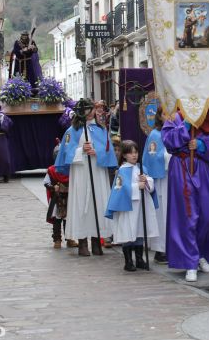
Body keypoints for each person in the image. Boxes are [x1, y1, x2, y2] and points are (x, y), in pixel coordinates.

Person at [162, 108, 209, 282]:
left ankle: (199, 253)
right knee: (187, 216)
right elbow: (168, 140)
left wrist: (201, 145)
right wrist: (186, 126)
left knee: (208, 215)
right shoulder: (174, 116)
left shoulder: (207, 115)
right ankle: (190, 261)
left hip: (204, 170)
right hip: (182, 168)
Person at [63, 100, 118, 256]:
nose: (88, 113)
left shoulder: (101, 129)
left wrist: (97, 152)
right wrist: (81, 150)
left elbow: (108, 151)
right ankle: (82, 241)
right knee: (81, 204)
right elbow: (66, 152)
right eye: (85, 110)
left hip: (96, 170)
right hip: (80, 171)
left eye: (90, 109)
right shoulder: (73, 130)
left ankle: (96, 240)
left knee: (98, 203)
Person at [105, 140, 159, 271]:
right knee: (129, 231)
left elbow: (151, 185)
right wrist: (136, 187)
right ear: (124, 155)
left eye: (136, 152)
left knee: (139, 230)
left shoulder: (142, 168)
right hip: (128, 208)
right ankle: (128, 261)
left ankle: (139, 259)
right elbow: (119, 188)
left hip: (141, 207)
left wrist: (146, 181)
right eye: (130, 153)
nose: (134, 155)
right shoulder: (122, 171)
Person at [144, 108, 171, 264]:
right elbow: (152, 157)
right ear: (159, 117)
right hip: (162, 179)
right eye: (165, 113)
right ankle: (161, 249)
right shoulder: (155, 134)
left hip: (175, 179)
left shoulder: (177, 131)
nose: (168, 116)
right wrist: (171, 155)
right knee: (162, 213)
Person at [43, 164, 76, 248]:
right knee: (57, 220)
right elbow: (46, 182)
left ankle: (69, 239)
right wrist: (53, 187)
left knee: (68, 220)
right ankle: (57, 240)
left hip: (69, 197)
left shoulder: (71, 168)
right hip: (56, 198)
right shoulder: (51, 169)